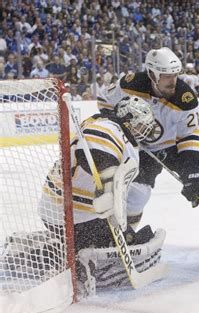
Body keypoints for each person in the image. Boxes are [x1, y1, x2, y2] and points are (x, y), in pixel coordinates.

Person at [7, 96, 164, 299]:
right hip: (74, 215)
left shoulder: (112, 129)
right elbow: (91, 151)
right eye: (141, 124)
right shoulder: (109, 127)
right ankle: (58, 257)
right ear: (128, 119)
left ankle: (66, 248)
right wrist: (107, 186)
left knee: (119, 238)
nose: (143, 130)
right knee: (119, 246)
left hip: (62, 212)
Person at [97, 47, 199, 246]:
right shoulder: (131, 84)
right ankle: (125, 236)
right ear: (152, 74)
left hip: (176, 148)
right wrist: (122, 127)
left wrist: (192, 173)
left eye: (175, 75)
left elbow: (189, 137)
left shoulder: (185, 98)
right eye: (166, 76)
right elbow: (104, 101)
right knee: (137, 195)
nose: (172, 80)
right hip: (143, 150)